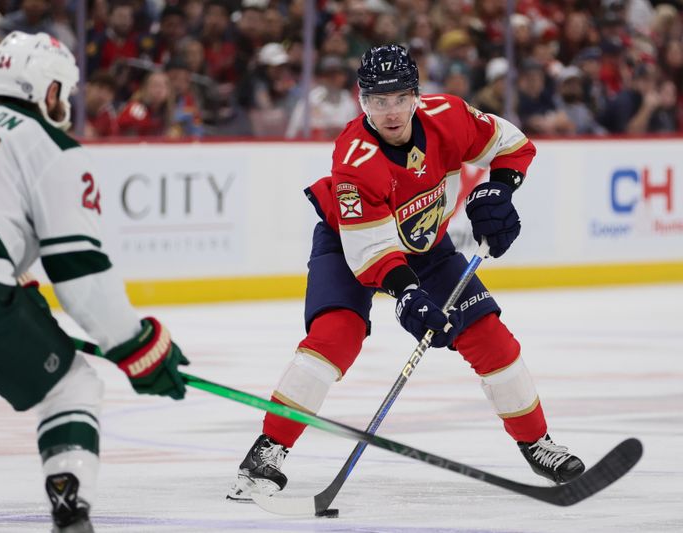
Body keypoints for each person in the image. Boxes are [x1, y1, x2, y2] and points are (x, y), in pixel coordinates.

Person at [227, 44, 585, 501]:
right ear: (362, 101)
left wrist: (498, 190)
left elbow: (512, 143)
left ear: (417, 94)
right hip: (348, 247)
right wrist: (409, 295)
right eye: (379, 100)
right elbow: (371, 252)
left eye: (400, 97)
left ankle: (537, 443)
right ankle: (269, 448)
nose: (391, 111)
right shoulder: (354, 160)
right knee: (334, 339)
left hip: (427, 246)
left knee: (491, 338)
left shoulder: (449, 117)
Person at [0, 31, 190, 533]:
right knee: (71, 385)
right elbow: (79, 271)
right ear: (49, 91)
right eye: (62, 91)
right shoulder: (53, 146)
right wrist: (135, 346)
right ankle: (70, 508)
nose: (64, 101)